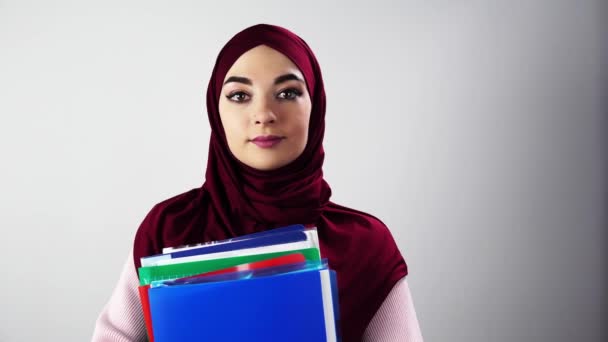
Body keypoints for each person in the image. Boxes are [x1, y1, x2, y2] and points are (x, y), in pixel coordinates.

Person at [92, 23, 423, 342]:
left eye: (287, 92)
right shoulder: (167, 229)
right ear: (215, 110)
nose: (264, 113)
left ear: (316, 106)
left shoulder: (365, 246)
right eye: (239, 95)